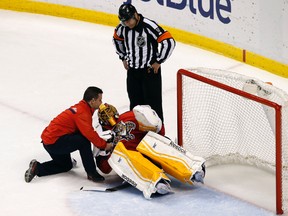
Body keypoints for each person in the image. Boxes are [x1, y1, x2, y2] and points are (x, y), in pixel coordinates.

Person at [94, 103, 206, 198]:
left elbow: (158, 128)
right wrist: (106, 150)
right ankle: (156, 181)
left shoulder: (131, 116)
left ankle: (191, 168)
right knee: (123, 154)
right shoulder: (104, 138)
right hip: (137, 161)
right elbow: (105, 167)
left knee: (149, 142)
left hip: (150, 153)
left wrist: (155, 132)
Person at [24, 87, 114, 183]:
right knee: (84, 141)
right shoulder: (82, 113)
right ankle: (92, 173)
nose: (101, 103)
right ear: (92, 101)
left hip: (49, 141)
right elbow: (90, 134)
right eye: (100, 100)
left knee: (66, 166)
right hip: (54, 142)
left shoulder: (81, 107)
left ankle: (37, 168)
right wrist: (105, 145)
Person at [112, 3, 176, 122]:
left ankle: (158, 136)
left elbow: (169, 41)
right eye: (124, 21)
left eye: (129, 20)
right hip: (133, 73)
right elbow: (116, 39)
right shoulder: (122, 28)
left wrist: (159, 61)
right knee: (135, 107)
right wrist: (123, 57)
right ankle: (137, 135)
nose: (127, 24)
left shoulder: (148, 26)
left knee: (154, 107)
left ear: (135, 14)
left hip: (150, 73)